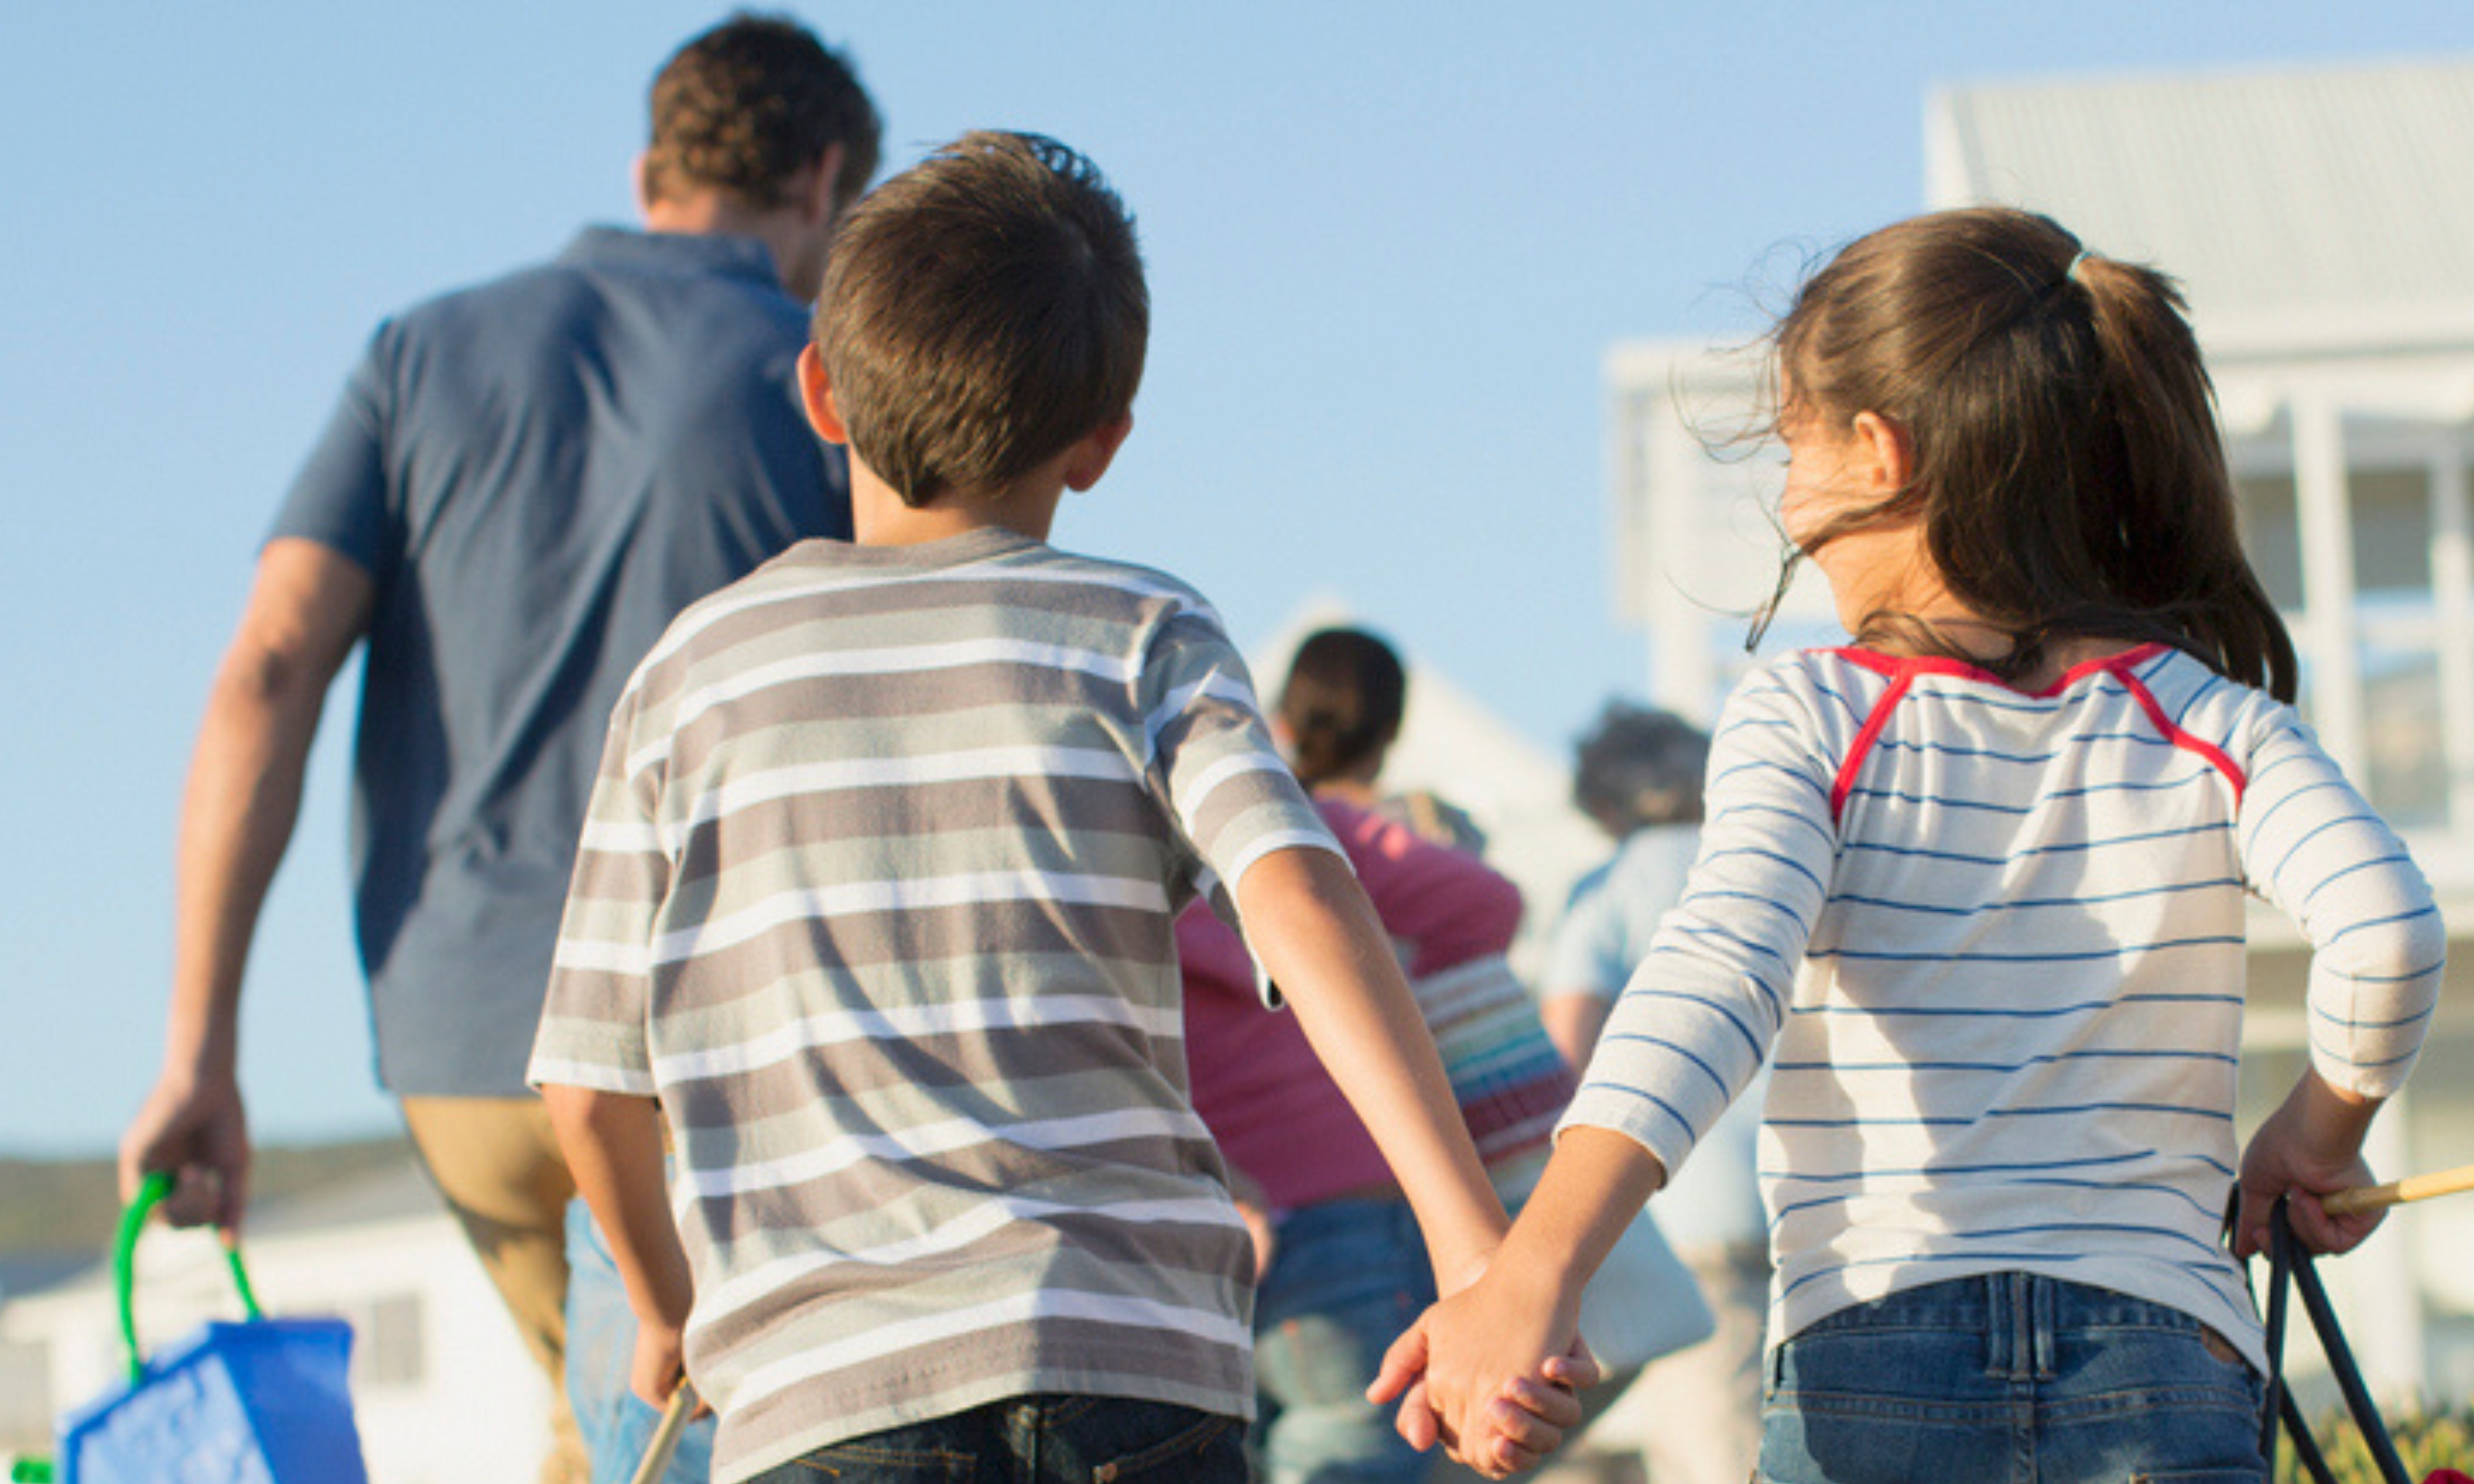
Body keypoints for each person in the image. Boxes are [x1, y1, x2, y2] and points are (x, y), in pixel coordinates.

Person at [526, 132, 1572, 1484]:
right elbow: (1302, 896)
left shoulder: (692, 678)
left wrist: (668, 1302)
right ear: (1101, 442)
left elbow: (587, 1087)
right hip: (1133, 1382)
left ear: (820, 392)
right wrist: (1468, 1238)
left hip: (829, 1400)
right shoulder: (1143, 635)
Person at [1376, 206, 2448, 1483]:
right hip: (2167, 1368)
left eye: (1791, 448)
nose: (1783, 498)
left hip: (1881, 1356)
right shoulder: (2210, 719)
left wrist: (1534, 1269)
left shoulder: (1816, 710)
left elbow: (1719, 974)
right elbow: (2388, 932)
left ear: (1878, 455)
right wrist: (2315, 1140)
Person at [116, 15, 873, 1484]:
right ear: (824, 177)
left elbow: (267, 666)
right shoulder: (822, 374)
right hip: (696, 1051)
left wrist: (199, 1044)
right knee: (694, 1423)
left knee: (594, 1412)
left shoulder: (418, 351)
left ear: (650, 164)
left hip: (459, 1052)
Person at [1181, 628, 1581, 1484]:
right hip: (1349, 1211)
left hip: (1192, 1218)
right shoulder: (1306, 827)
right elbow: (1487, 905)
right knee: (1353, 1446)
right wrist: (1380, 968)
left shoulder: (1111, 846)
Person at [1533, 702, 1761, 1484]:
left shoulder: (1611, 886)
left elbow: (1566, 1059)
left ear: (1603, 804)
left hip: (1690, 1210)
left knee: (1716, 1458)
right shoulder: (1765, 863)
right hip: (1824, 1206)